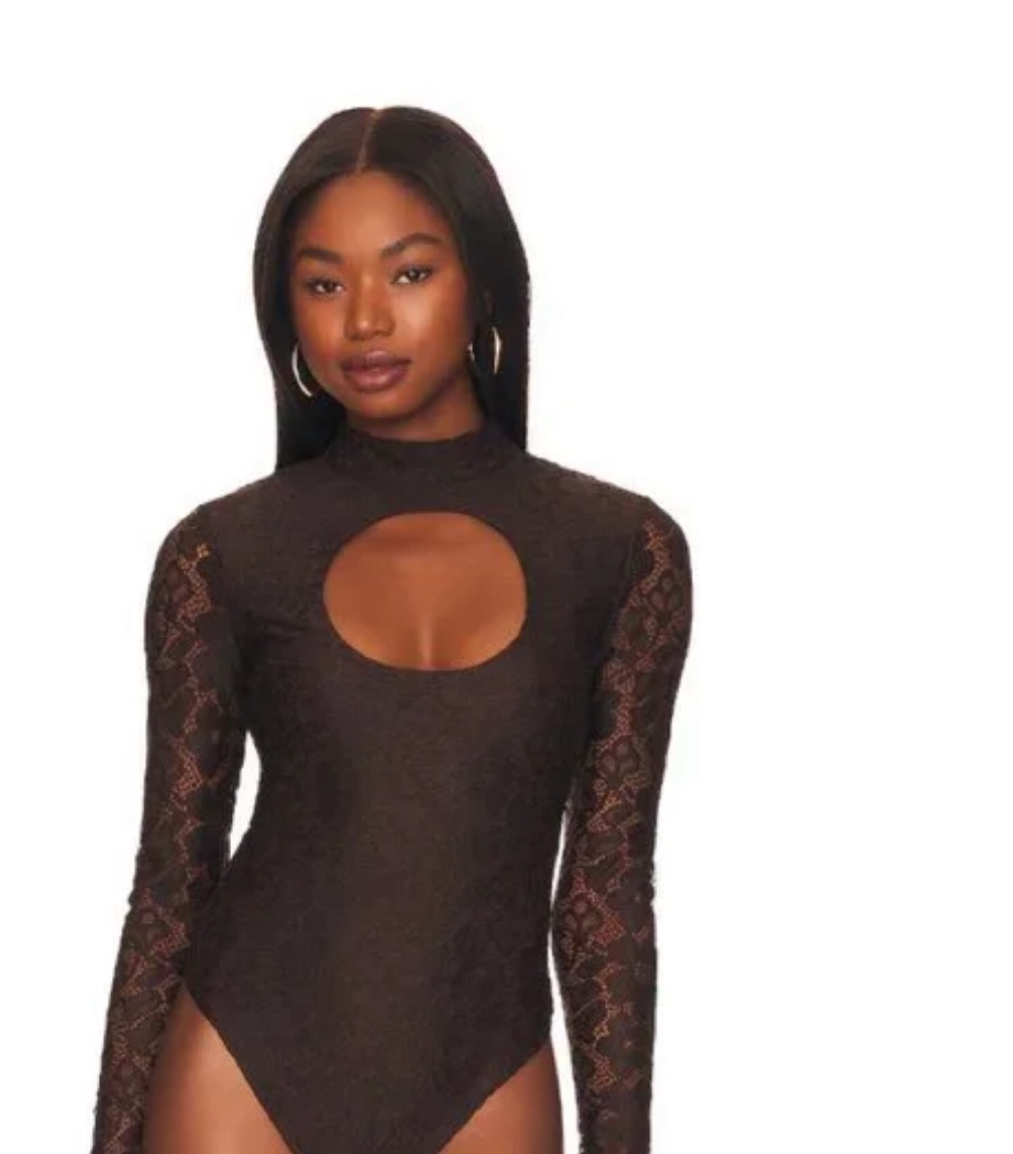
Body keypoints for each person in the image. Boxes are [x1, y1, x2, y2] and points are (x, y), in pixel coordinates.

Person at [88, 105, 694, 1154]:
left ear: (485, 285)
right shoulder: (224, 553)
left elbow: (603, 896)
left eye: (409, 273)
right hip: (239, 1068)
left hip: (484, 1078)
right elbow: (170, 887)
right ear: (285, 311)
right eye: (324, 284)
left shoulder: (620, 551)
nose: (365, 320)